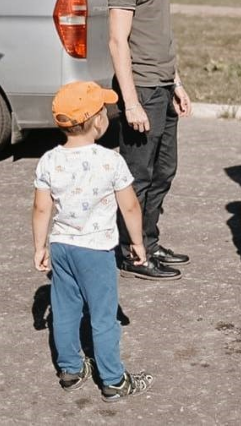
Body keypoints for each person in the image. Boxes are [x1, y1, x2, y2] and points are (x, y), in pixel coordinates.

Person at [31, 81, 154, 402]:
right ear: (97, 120)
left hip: (61, 246)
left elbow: (41, 207)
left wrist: (39, 246)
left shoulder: (48, 160)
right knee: (103, 315)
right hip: (96, 251)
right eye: (104, 110)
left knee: (65, 310)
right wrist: (138, 243)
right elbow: (130, 205)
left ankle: (70, 369)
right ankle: (113, 379)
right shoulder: (109, 161)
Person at [107, 0, 192, 281]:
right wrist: (131, 103)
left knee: (163, 172)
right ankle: (132, 253)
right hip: (140, 89)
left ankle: (149, 241)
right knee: (137, 177)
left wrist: (177, 82)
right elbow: (117, 41)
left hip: (162, 86)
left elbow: (159, 34)